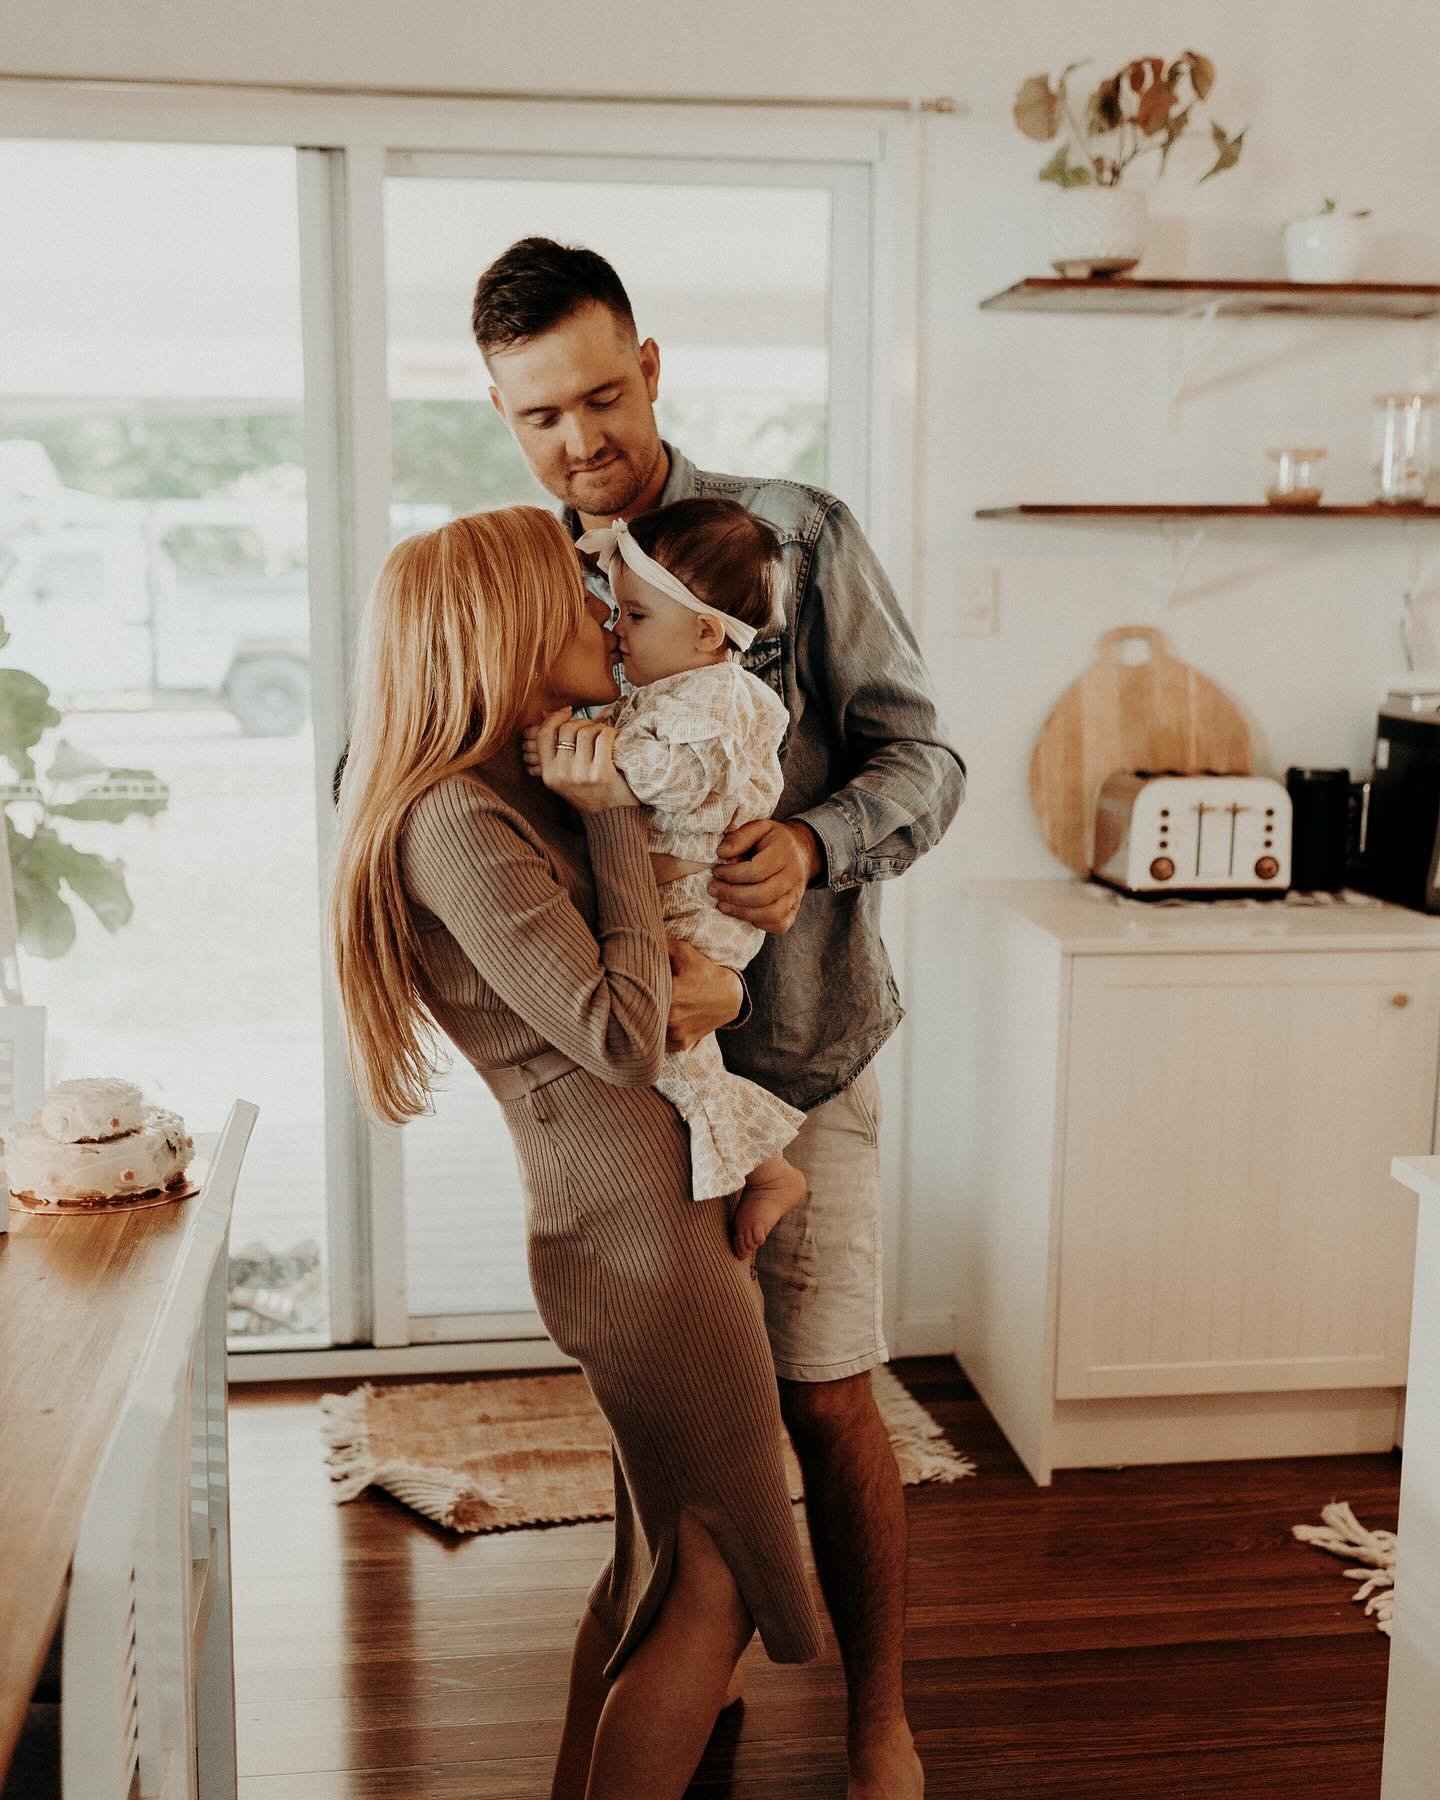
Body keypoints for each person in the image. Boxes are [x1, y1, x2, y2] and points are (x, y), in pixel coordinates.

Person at [473, 237, 965, 1800]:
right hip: (628, 1080)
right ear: (504, 414)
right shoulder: (522, 571)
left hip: (803, 1047)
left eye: (602, 397)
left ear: (654, 365)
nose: (579, 442)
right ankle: (694, 1672)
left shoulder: (794, 537)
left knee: (824, 1398)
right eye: (538, 415)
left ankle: (878, 1719)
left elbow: (923, 762)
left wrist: (815, 845)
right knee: (676, 1436)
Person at [328, 504, 823, 1800]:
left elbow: (661, 977)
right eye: (576, 591)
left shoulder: (500, 788)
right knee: (711, 1579)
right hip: (639, 1238)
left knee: (655, 1570)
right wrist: (612, 814)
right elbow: (617, 1032)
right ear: (498, 628)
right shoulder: (451, 822)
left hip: (650, 1215)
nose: (605, 608)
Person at [540, 497, 809, 1256]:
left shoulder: (720, 697)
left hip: (702, 902)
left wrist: (597, 761)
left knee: (669, 1044)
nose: (615, 629)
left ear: (702, 630)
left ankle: (765, 1169)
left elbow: (687, 779)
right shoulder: (671, 689)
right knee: (677, 1050)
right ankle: (760, 1168)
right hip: (674, 889)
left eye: (633, 614)